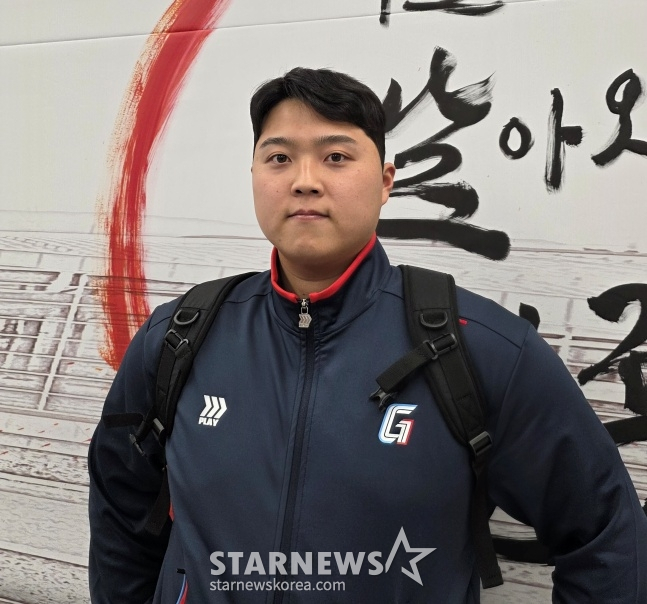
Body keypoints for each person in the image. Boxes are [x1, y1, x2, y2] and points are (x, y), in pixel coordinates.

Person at [88, 67, 647, 603]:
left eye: (336, 157)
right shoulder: (181, 336)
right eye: (279, 158)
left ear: (385, 183)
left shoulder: (480, 349)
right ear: (254, 175)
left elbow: (607, 532)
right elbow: (120, 502)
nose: (305, 181)